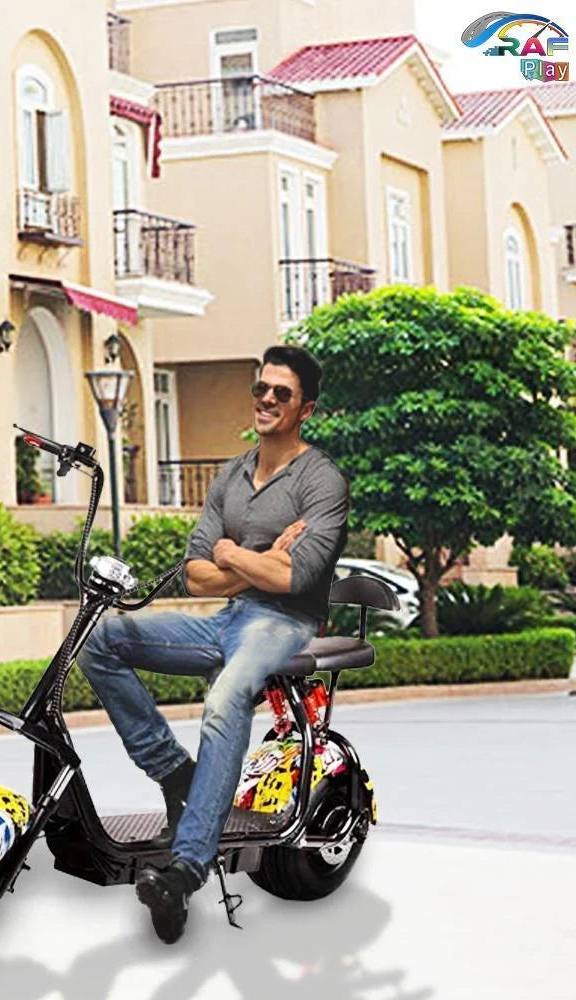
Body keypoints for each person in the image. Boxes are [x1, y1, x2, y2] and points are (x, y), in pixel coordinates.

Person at [75, 344, 349, 944]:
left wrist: (233, 555)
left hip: (284, 623)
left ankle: (186, 869)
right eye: (261, 389)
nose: (267, 399)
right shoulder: (231, 475)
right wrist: (251, 559)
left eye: (281, 393)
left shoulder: (322, 480)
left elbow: (294, 580)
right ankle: (176, 775)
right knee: (100, 639)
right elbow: (196, 572)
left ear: (306, 408)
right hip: (227, 618)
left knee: (227, 698)